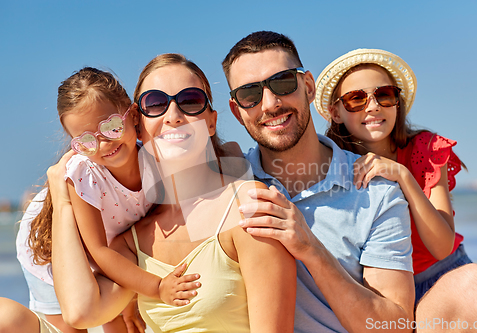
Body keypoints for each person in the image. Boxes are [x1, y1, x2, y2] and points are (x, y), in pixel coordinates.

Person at [0, 53, 296, 333]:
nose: (174, 114)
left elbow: (229, 157)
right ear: (140, 124)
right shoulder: (133, 240)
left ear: (212, 121)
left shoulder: (248, 206)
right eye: (155, 103)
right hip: (52, 259)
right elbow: (80, 310)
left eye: (190, 100)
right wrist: (62, 198)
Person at [222, 31, 414, 333]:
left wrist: (311, 248)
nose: (270, 104)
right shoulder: (225, 184)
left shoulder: (378, 193)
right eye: (250, 94)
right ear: (237, 110)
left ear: (308, 86)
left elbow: (396, 325)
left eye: (282, 83)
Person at [315, 48, 477, 331]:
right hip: (385, 297)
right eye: (356, 98)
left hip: (446, 276)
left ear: (397, 103)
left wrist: (403, 176)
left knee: (474, 281)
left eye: (384, 95)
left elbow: (441, 247)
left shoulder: (425, 149)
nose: (373, 106)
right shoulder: (331, 165)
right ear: (336, 112)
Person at [9, 67, 201, 333]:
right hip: (50, 252)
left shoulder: (157, 160)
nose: (103, 144)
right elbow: (98, 251)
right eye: (86, 141)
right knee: (69, 327)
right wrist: (155, 287)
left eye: (111, 127)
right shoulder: (86, 176)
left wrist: (134, 294)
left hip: (111, 252)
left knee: (120, 319)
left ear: (133, 115)